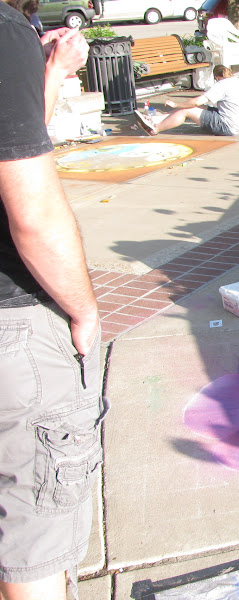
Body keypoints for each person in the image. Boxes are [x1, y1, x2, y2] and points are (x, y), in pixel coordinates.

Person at [0, 3, 105, 600]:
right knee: (35, 522)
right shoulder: (4, 29)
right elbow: (32, 213)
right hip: (12, 317)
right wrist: (84, 309)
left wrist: (45, 77)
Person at [134, 65, 239, 136]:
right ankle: (156, 119)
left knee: (186, 110)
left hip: (226, 126)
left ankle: (155, 129)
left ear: (217, 77)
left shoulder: (221, 84)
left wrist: (176, 104)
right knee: (202, 109)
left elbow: (196, 102)